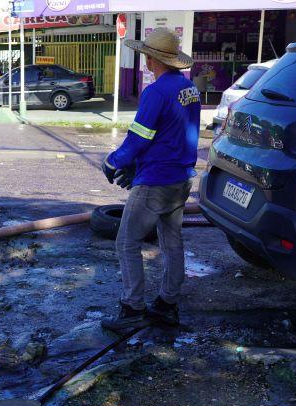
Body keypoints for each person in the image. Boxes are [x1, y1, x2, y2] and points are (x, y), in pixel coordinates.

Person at [100, 28, 200, 333]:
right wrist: (136, 165)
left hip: (156, 180)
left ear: (150, 58)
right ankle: (167, 305)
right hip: (181, 179)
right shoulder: (189, 88)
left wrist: (113, 162)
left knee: (127, 241)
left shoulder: (156, 92)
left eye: (146, 54)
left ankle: (132, 308)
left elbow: (139, 137)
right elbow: (170, 134)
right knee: (172, 242)